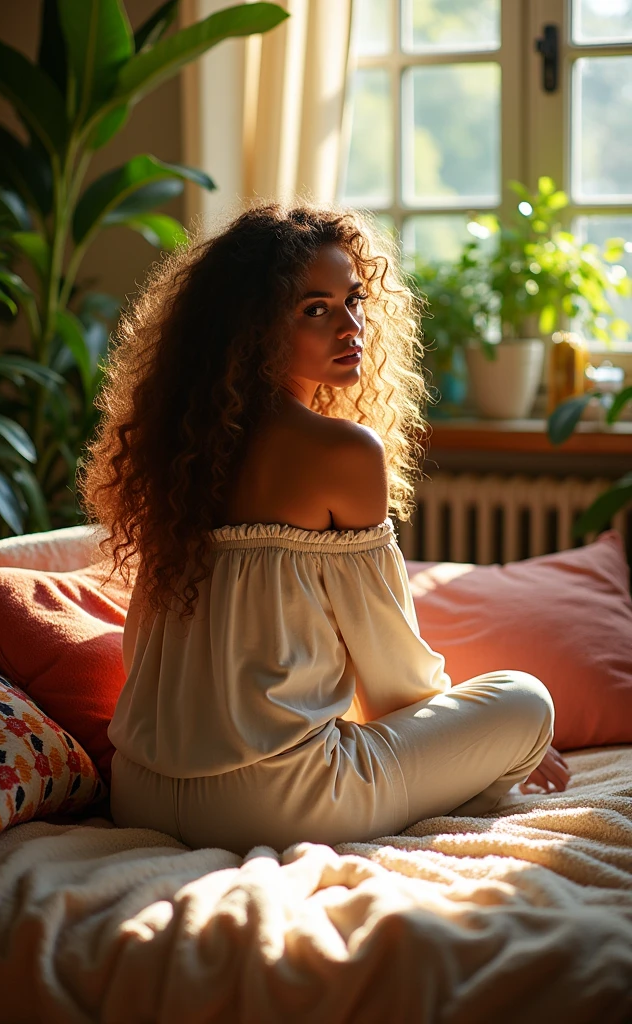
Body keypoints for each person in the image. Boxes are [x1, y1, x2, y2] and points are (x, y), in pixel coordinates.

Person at [77, 200, 570, 856]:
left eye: (354, 300)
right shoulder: (344, 452)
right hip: (280, 801)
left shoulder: (178, 452)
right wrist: (477, 745)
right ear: (250, 328)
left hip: (140, 789)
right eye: (315, 309)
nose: (351, 326)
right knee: (524, 700)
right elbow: (391, 663)